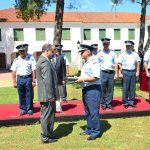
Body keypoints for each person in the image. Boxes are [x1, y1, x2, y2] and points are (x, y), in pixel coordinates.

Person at [76, 44, 101, 141]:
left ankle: (95, 132)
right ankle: (89, 129)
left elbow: (96, 77)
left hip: (93, 89)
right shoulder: (86, 62)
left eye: (82, 52)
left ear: (88, 52)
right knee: (87, 111)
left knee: (93, 111)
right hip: (87, 89)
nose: (81, 54)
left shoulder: (94, 61)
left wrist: (82, 80)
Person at [36, 43, 59, 144]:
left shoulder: (43, 60)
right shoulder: (44, 61)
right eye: (52, 51)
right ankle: (46, 137)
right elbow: (47, 80)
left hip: (45, 94)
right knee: (47, 116)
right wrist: (50, 96)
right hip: (47, 95)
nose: (53, 53)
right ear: (47, 51)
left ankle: (48, 134)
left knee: (47, 115)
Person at [10, 44, 36, 116]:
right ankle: (22, 109)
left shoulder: (30, 58)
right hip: (20, 79)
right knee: (21, 94)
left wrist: (33, 81)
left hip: (28, 78)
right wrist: (14, 82)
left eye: (23, 50)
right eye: (20, 51)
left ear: (25, 51)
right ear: (18, 52)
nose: (22, 52)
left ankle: (29, 109)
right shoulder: (16, 60)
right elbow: (13, 72)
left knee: (29, 94)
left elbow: (33, 70)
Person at [118, 40, 140, 108]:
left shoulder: (135, 54)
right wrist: (120, 72)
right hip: (125, 72)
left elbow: (138, 63)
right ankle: (125, 102)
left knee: (132, 88)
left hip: (133, 72)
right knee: (125, 88)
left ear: (131, 46)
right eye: (126, 46)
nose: (127, 47)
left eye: (129, 46)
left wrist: (137, 72)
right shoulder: (122, 54)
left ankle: (131, 101)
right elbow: (119, 63)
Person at [98, 38, 118, 110]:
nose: (105, 45)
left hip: (111, 73)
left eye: (107, 43)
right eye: (104, 44)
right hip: (102, 73)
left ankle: (109, 103)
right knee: (102, 89)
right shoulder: (99, 53)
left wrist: (116, 74)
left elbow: (116, 64)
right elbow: (97, 64)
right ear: (102, 44)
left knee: (110, 89)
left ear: (109, 44)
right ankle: (103, 103)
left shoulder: (113, 53)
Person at [51, 44, 66, 112]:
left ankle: (58, 108)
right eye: (53, 50)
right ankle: (52, 108)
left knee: (58, 94)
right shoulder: (48, 58)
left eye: (55, 49)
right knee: (51, 94)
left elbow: (63, 69)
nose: (54, 51)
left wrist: (63, 79)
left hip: (59, 79)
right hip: (50, 80)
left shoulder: (61, 57)